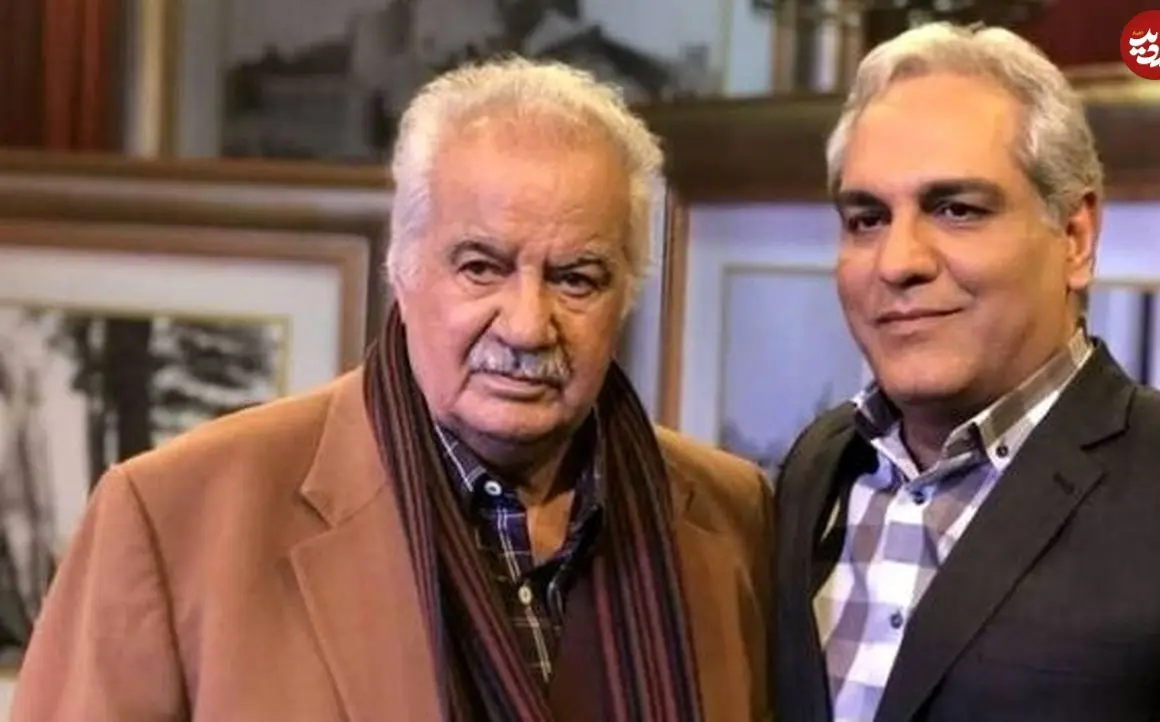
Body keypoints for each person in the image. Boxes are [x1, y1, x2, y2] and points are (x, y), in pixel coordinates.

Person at [14, 58, 773, 722]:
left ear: (626, 294)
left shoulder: (732, 517)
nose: (525, 324)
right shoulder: (173, 518)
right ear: (401, 270)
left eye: (576, 278)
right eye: (481, 268)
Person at [773, 21, 1160, 722]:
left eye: (956, 210)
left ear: (1075, 237)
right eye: (867, 219)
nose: (898, 262)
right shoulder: (817, 465)